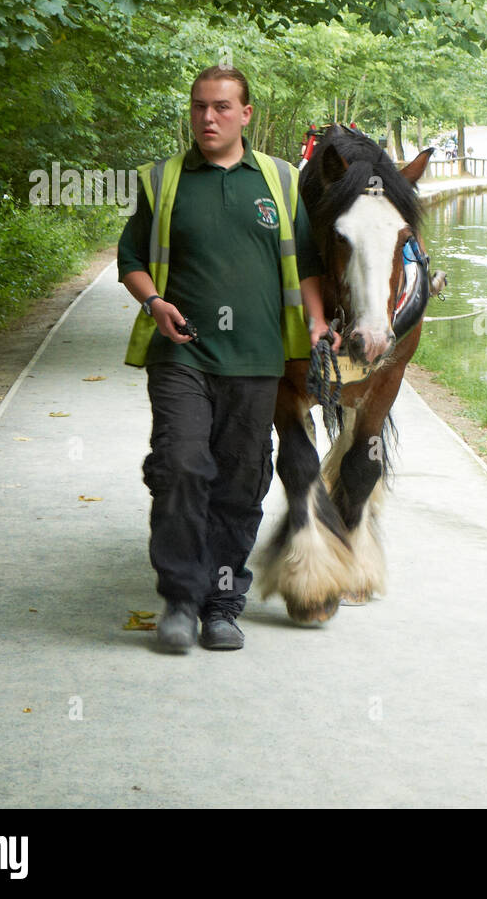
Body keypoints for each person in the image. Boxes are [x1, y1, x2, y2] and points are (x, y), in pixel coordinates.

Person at [119, 66, 338, 654]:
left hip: (257, 358)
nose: (207, 118)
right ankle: (180, 601)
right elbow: (131, 259)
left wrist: (317, 321)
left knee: (241, 482)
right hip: (181, 355)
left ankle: (221, 604)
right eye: (198, 106)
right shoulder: (162, 181)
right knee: (182, 465)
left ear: (245, 114)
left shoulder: (280, 181)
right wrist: (155, 301)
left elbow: (309, 265)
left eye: (220, 107)